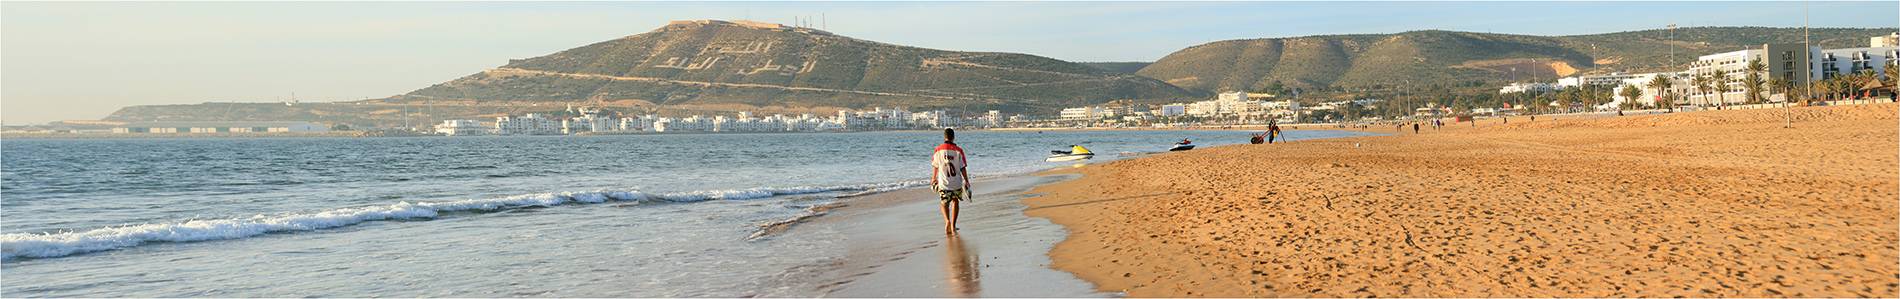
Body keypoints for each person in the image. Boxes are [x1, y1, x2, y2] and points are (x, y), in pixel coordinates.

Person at [930, 128, 972, 235]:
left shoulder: (938, 150)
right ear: (953, 137)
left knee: (944, 203)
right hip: (956, 183)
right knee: (955, 201)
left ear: (944, 137)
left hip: (944, 183)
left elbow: (935, 166)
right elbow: (963, 167)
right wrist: (966, 181)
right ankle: (953, 225)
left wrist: (933, 178)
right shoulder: (958, 150)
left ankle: (947, 221)